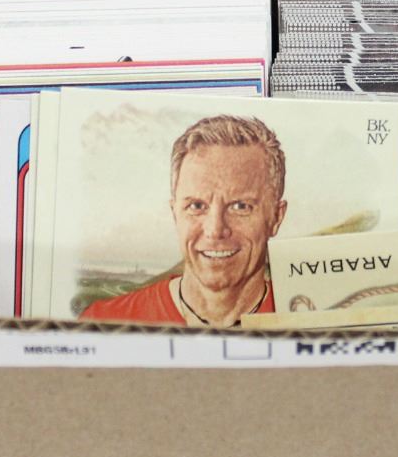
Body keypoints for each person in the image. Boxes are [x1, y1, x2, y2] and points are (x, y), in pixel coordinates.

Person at [79, 115, 287, 327]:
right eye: (196, 206)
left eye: (240, 206)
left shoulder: (302, 316)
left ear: (276, 217)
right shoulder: (103, 322)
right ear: (175, 213)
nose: (215, 230)